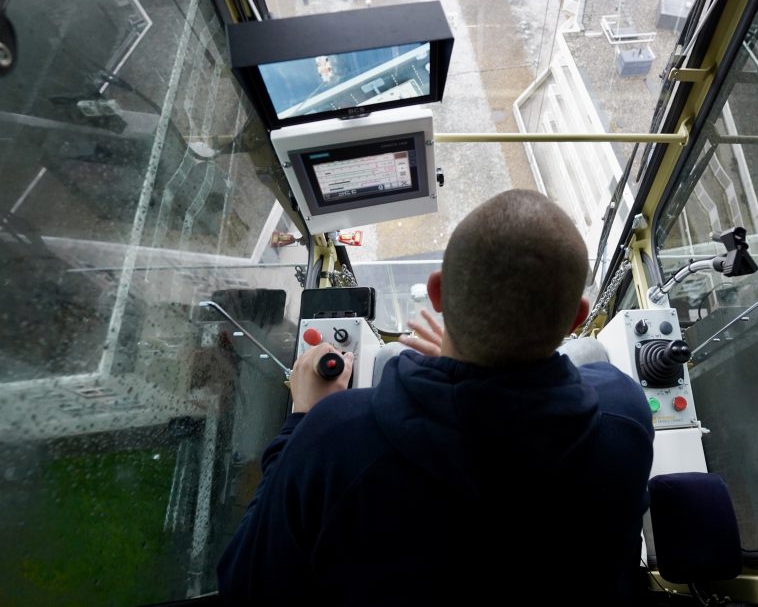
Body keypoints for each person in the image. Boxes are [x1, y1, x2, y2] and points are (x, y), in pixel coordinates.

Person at [217, 190, 655, 604]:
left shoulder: (335, 435)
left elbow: (243, 585)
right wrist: (468, 360)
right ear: (576, 317)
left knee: (388, 356)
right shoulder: (623, 413)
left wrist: (303, 415)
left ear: (437, 292)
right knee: (588, 355)